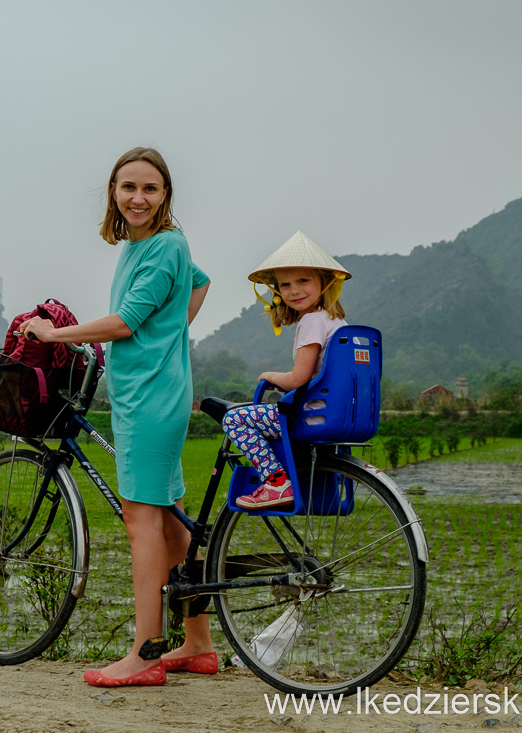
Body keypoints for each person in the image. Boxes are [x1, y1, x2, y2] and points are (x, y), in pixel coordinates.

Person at [18, 147, 213, 688]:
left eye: (149, 189)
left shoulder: (162, 246)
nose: (137, 198)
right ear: (113, 192)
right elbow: (200, 283)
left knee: (140, 521)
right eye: (128, 187)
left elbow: (126, 323)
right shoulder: (147, 246)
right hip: (146, 393)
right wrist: (174, 329)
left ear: (166, 195)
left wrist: (54, 334)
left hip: (150, 400)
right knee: (171, 522)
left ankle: (145, 653)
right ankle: (197, 643)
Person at [222, 231, 350, 510]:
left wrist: (270, 376)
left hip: (313, 415)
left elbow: (299, 378)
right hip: (335, 412)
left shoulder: (312, 322)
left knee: (234, 419)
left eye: (303, 280)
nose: (294, 290)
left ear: (324, 282)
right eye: (286, 284)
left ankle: (276, 481)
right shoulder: (337, 322)